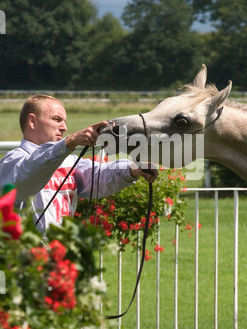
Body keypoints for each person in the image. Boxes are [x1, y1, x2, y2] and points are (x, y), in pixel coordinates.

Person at [0, 94, 157, 234]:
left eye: (64, 121)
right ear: (32, 121)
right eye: (56, 119)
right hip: (23, 260)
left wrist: (133, 169)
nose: (64, 127)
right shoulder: (13, 161)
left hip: (60, 259)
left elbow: (98, 175)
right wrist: (69, 142)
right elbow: (29, 176)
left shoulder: (67, 161)